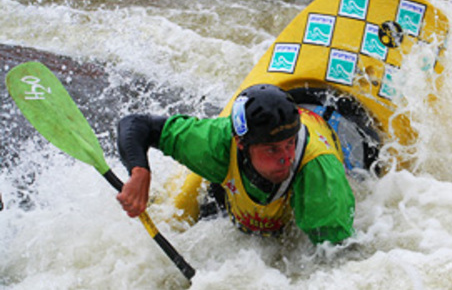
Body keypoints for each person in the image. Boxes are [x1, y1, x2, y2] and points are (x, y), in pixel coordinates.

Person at [116, 84, 355, 244]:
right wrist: (139, 172)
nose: (286, 157)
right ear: (241, 143)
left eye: (290, 143)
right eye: (272, 149)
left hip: (332, 143)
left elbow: (337, 259)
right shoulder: (216, 142)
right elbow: (137, 124)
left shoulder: (318, 172)